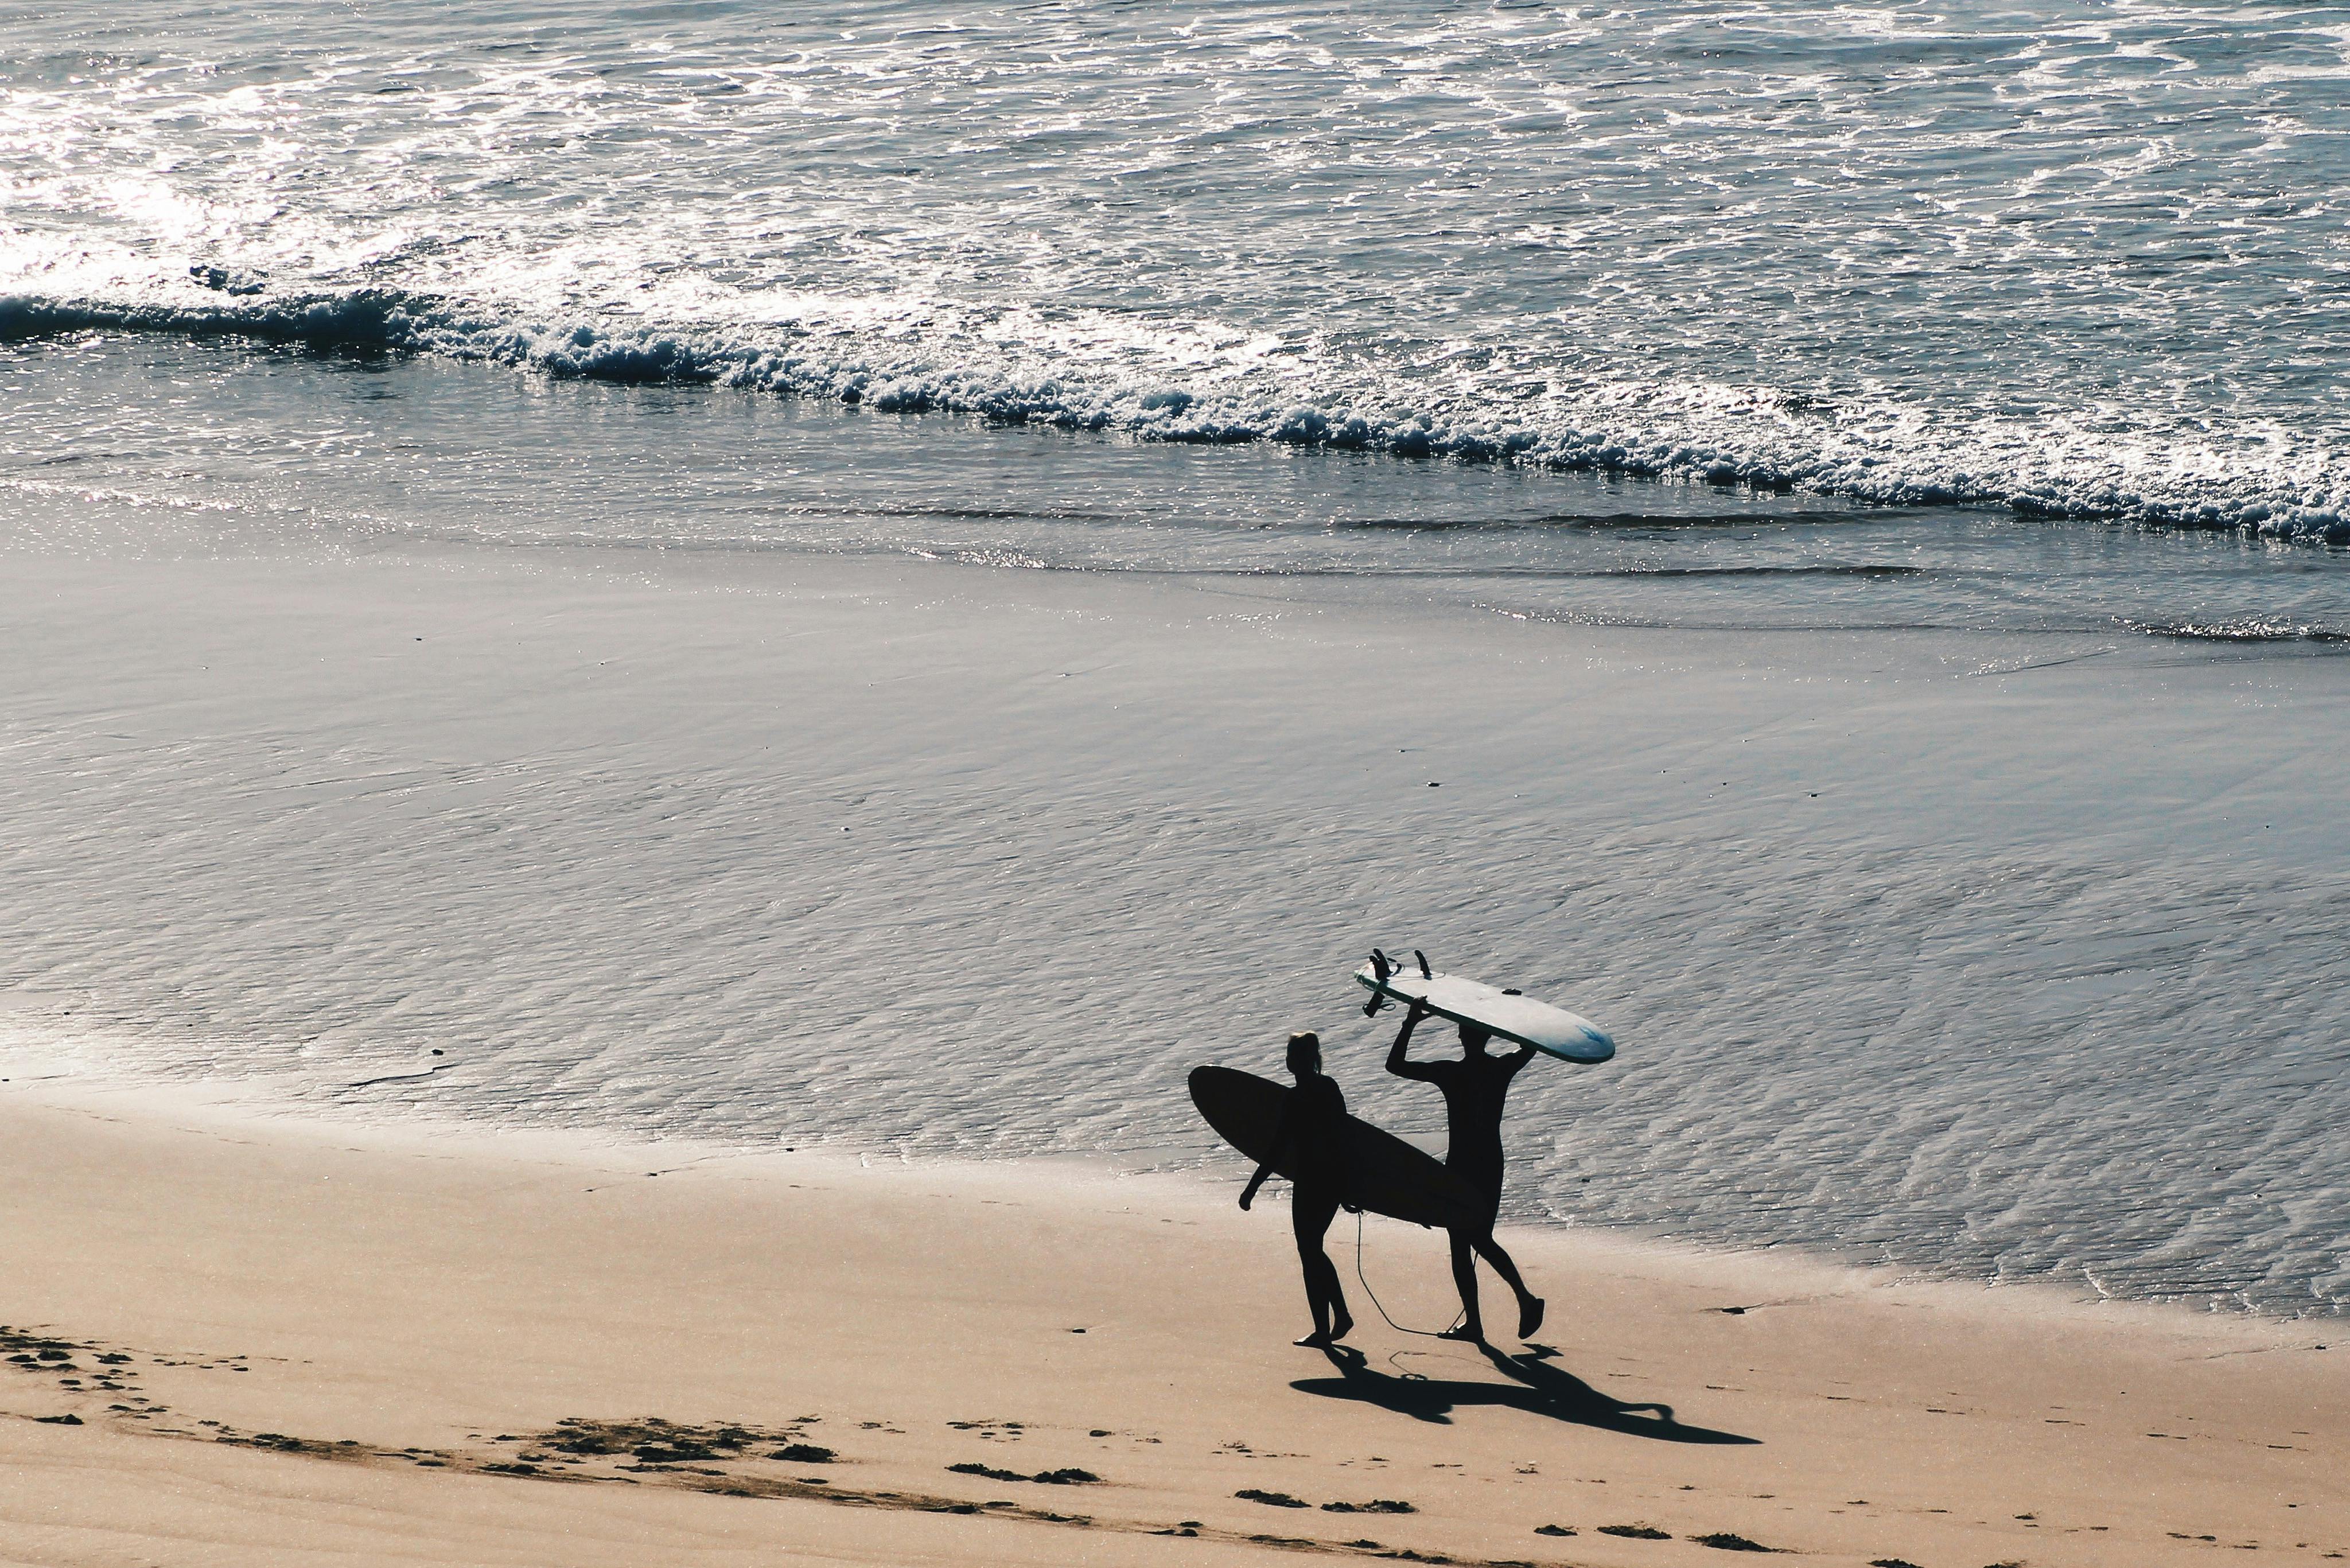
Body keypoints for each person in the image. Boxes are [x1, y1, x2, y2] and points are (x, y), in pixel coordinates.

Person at [1387, 998, 1544, 1343]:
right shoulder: (1501, 1069)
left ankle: (1521, 1301)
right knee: (1471, 1238)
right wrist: (1514, 1011)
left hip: (1460, 1164)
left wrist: (1411, 1022)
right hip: (1489, 1161)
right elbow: (1533, 1044)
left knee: (1467, 1240)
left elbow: (1394, 1065)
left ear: (1460, 1035)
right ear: (1489, 1036)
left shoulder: (1451, 1073)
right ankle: (1487, 1318)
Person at [1239, 1030, 1356, 1348]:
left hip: (1311, 1183)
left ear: (1298, 1062)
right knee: (1313, 1250)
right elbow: (1346, 1138)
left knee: (1310, 1253)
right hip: (1332, 1182)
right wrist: (1350, 1187)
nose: (1289, 1061)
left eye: (1292, 1056)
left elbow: (1278, 1148)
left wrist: (1252, 1188)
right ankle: (1340, 1316)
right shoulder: (1329, 1088)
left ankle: (1326, 1327)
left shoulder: (1296, 1097)